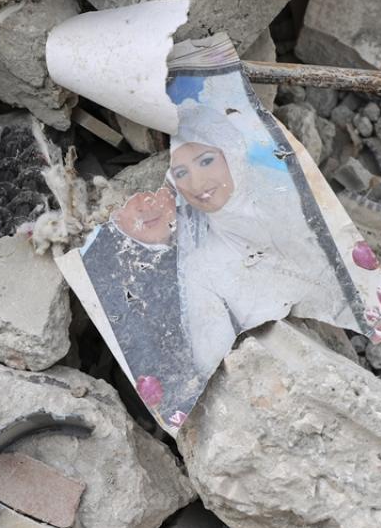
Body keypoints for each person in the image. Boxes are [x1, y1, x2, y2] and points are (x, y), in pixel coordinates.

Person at [168, 99, 348, 376]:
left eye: (206, 161)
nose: (196, 183)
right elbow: (210, 361)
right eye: (181, 173)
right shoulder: (200, 266)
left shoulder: (288, 206)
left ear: (230, 154)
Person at [78, 187, 205, 429]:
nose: (144, 206)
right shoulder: (112, 272)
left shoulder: (210, 234)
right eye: (128, 201)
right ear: (113, 216)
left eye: (153, 193)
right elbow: (142, 350)